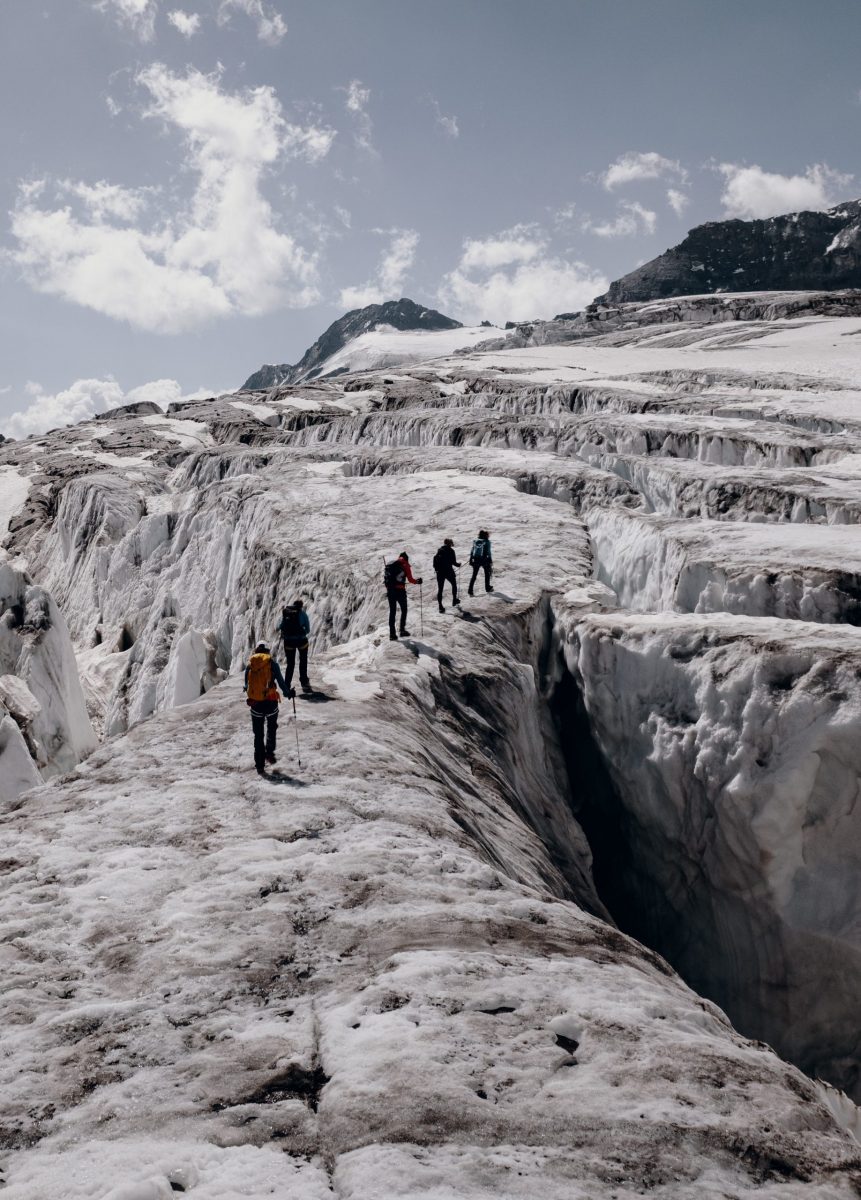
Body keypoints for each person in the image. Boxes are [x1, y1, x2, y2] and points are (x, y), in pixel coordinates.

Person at [244, 642, 291, 775]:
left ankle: (259, 765)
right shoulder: (272, 664)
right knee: (271, 728)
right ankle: (269, 753)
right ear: (267, 652)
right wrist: (288, 693)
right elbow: (281, 683)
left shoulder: (251, 665)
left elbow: (246, 683)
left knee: (258, 735)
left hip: (256, 705)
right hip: (271, 703)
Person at [383, 551, 422, 640]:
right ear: (406, 559)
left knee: (392, 612)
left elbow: (386, 579)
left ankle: (392, 634)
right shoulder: (405, 565)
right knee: (404, 609)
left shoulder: (390, 564)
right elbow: (411, 579)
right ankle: (402, 630)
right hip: (400, 591)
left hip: (390, 591)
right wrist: (418, 581)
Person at [280, 599, 312, 694]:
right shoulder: (303, 614)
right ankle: (304, 681)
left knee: (290, 664)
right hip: (301, 641)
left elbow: (281, 626)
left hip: (289, 642)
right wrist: (301, 633)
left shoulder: (287, 614)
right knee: (303, 661)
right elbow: (308, 630)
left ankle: (287, 684)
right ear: (301, 607)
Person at [433, 537, 461, 613]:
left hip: (440, 573)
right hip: (448, 571)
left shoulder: (439, 550)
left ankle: (440, 606)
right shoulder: (451, 551)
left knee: (440, 589)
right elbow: (454, 563)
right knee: (454, 585)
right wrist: (459, 565)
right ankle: (454, 600)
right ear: (450, 544)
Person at [468, 530, 494, 596]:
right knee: (487, 573)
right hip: (484, 560)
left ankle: (470, 590)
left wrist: (471, 559)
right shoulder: (487, 542)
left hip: (476, 559)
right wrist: (490, 560)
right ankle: (487, 587)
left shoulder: (475, 541)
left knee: (474, 575)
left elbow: (472, 550)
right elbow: (488, 552)